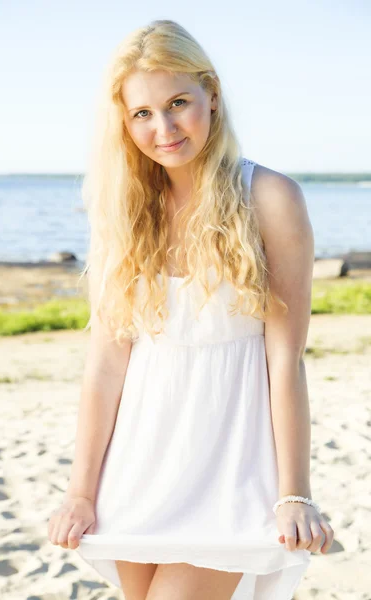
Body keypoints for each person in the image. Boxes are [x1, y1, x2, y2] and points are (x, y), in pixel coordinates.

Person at [47, 18, 334, 600]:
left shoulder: (270, 199)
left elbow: (285, 361)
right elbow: (106, 364)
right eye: (143, 114)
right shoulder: (124, 211)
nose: (164, 128)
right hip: (137, 468)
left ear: (213, 95)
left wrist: (294, 493)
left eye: (179, 102)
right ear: (124, 124)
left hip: (231, 470)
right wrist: (81, 490)